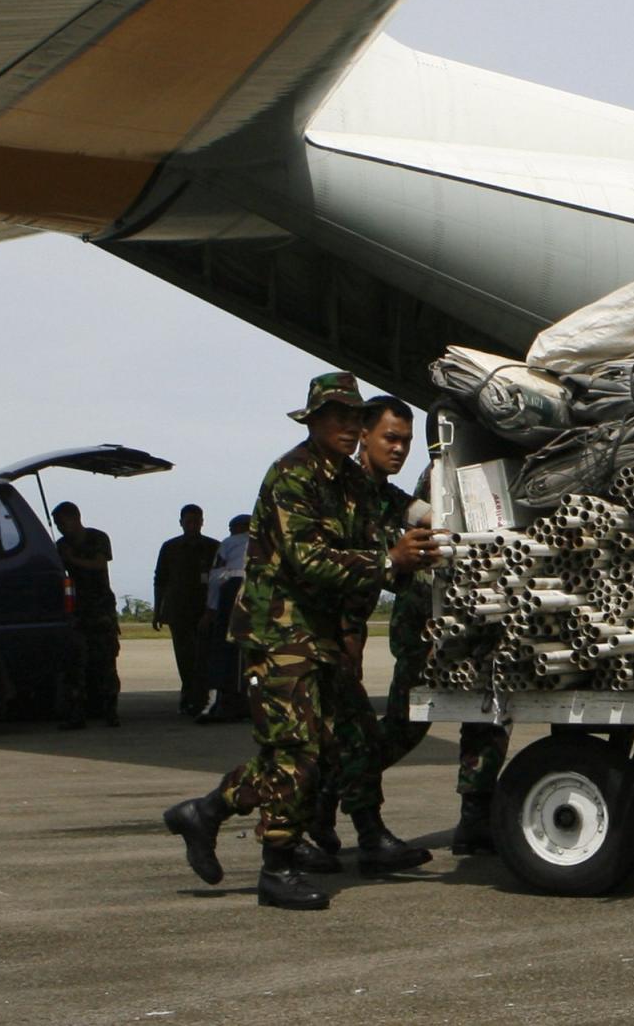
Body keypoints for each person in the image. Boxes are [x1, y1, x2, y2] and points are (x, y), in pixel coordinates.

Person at [161, 373, 441, 911]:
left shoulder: (350, 482)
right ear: (313, 421)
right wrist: (389, 561)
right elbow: (307, 558)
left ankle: (209, 812)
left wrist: (433, 523)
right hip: (282, 632)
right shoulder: (293, 475)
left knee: (354, 738)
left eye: (353, 417)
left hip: (321, 634)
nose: (346, 425)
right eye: (336, 416)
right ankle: (278, 866)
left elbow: (393, 510)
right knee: (295, 752)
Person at [358, 396, 508, 856]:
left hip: (465, 622)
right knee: (406, 726)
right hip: (427, 623)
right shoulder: (442, 478)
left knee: (486, 720)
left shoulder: (465, 472)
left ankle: (475, 817)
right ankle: (338, 794)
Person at [53, 501, 120, 730]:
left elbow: (99, 564)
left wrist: (72, 560)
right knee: (76, 664)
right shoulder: (61, 545)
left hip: (100, 608)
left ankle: (110, 710)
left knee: (106, 662)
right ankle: (77, 712)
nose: (61, 528)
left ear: (75, 517)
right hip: (77, 610)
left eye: (63, 522)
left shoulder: (97, 538)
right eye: (58, 525)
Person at [153, 504, 221, 715]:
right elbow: (160, 580)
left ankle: (200, 697)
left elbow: (220, 581)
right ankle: (189, 695)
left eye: (196, 521)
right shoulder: (170, 548)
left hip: (204, 610)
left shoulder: (213, 547)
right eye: (188, 521)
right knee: (184, 658)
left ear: (202, 522)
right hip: (178, 611)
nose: (192, 525)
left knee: (204, 657)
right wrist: (158, 611)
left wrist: (212, 612)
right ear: (181, 522)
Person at [195, 515, 252, 723]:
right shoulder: (266, 541)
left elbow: (216, 577)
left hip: (232, 593)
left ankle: (226, 701)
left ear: (236, 528)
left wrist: (210, 610)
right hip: (260, 596)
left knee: (225, 649)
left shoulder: (229, 543)